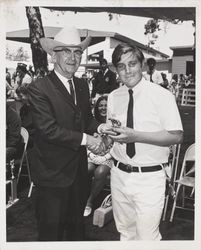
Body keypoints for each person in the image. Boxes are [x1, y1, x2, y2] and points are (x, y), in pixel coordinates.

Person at [27, 26, 111, 241]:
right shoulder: (39, 88)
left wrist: (100, 128)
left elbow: (85, 119)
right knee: (51, 235)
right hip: (52, 176)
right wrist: (88, 139)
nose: (73, 58)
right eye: (66, 52)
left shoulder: (82, 85)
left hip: (78, 175)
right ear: (54, 56)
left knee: (76, 233)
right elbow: (48, 130)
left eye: (77, 52)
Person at [100, 44, 183, 240]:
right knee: (126, 234)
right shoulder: (113, 97)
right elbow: (113, 133)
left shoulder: (162, 96)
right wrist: (104, 137)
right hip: (119, 174)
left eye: (132, 64)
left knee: (147, 238)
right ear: (116, 70)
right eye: (121, 66)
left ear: (142, 65)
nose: (127, 71)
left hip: (150, 177)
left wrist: (136, 136)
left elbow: (177, 136)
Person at [84, 95, 113, 217]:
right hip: (91, 154)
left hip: (109, 157)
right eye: (101, 105)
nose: (103, 108)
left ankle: (89, 201)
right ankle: (81, 197)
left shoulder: (114, 122)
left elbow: (117, 145)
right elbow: (85, 141)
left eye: (106, 105)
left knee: (100, 172)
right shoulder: (91, 121)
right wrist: (91, 154)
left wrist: (104, 158)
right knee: (87, 168)